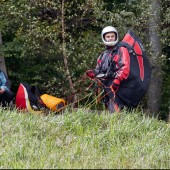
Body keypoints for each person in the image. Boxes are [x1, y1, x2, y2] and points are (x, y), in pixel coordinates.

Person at [86, 26, 147, 113]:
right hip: (107, 86)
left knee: (116, 107)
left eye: (112, 36)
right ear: (104, 38)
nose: (110, 38)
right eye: (108, 37)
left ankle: (119, 123)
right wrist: (93, 73)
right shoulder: (103, 55)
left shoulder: (121, 50)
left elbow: (125, 67)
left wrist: (117, 80)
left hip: (120, 86)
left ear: (116, 37)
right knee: (108, 106)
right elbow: (99, 70)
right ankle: (112, 124)